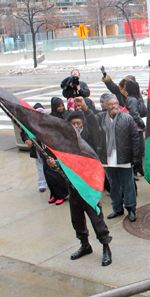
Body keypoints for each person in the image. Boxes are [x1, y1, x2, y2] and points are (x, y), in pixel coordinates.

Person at [48, 108, 113, 266]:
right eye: (73, 123)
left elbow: (94, 127)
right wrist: (55, 164)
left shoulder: (89, 137)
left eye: (78, 123)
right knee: (77, 220)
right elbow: (66, 164)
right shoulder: (66, 142)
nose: (76, 126)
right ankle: (85, 245)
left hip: (88, 189)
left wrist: (86, 110)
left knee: (97, 221)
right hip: (73, 189)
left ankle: (106, 247)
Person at [90, 95, 140, 222]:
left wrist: (136, 157)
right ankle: (117, 208)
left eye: (115, 103)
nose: (113, 106)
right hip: (107, 159)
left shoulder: (127, 119)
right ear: (105, 106)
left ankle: (131, 209)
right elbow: (89, 121)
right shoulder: (100, 118)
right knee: (113, 185)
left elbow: (135, 139)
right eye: (110, 104)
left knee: (128, 185)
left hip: (124, 158)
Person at [21, 103, 47, 192]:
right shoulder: (29, 123)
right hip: (36, 148)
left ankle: (50, 182)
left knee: (49, 166)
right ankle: (42, 183)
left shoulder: (47, 122)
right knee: (39, 166)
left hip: (47, 148)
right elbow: (23, 133)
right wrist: (26, 140)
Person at [125, 81, 146, 178]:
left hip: (134, 127)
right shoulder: (133, 100)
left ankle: (138, 168)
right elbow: (135, 114)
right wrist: (143, 125)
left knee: (139, 148)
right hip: (136, 128)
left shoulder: (130, 99)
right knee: (139, 148)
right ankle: (135, 169)